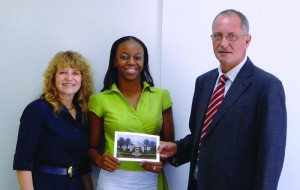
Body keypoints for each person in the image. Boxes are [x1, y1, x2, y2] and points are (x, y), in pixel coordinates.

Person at [158, 9, 287, 190]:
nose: (223, 43)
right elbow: (203, 136)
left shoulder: (267, 86)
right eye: (217, 36)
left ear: (247, 40)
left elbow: (271, 156)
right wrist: (177, 148)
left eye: (232, 36)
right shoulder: (204, 82)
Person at [88, 36, 175, 190]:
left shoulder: (161, 96)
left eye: (138, 57)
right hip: (113, 180)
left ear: (144, 62)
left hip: (150, 179)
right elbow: (91, 149)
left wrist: (162, 162)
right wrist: (100, 160)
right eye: (124, 57)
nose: (131, 62)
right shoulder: (99, 100)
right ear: (114, 61)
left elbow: (170, 146)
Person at [13, 51, 95, 190]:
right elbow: (23, 161)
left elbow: (83, 165)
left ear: (82, 79)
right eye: (63, 72)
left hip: (76, 185)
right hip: (46, 184)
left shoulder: (83, 113)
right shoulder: (38, 110)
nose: (69, 78)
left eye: (75, 73)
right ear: (53, 78)